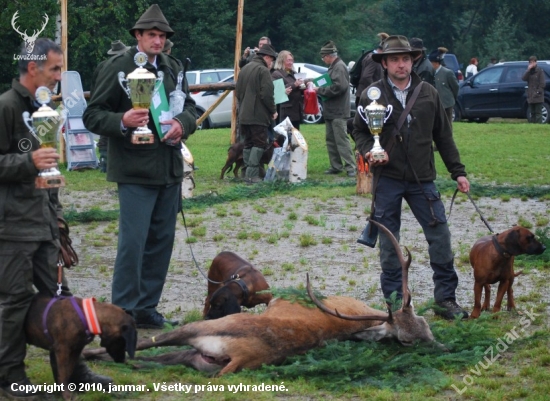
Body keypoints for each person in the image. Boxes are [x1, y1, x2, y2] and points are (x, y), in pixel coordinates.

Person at [0, 38, 112, 399]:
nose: (59, 76)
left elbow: (49, 173)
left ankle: (73, 370)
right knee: (14, 302)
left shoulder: (45, 108)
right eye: (55, 69)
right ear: (33, 69)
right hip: (12, 228)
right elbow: (21, 164)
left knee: (63, 301)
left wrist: (58, 220)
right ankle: (9, 377)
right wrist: (25, 163)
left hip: (44, 224)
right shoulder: (5, 107)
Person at [83, 4, 197, 328]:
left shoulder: (173, 66)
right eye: (152, 35)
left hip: (168, 169)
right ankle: (122, 313)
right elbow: (92, 114)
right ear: (138, 36)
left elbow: (188, 107)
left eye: (161, 36)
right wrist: (122, 119)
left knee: (161, 243)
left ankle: (146, 307)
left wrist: (182, 124)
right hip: (133, 170)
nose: (157, 41)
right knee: (133, 245)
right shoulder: (117, 66)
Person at [352, 35, 470, 320]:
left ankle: (445, 300)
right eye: (394, 59)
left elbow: (444, 136)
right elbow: (358, 130)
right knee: (389, 242)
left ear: (413, 60)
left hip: (423, 179)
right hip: (388, 178)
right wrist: (370, 151)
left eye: (405, 59)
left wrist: (458, 171)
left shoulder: (428, 92)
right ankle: (395, 303)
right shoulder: (371, 94)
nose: (401, 64)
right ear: (385, 62)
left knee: (440, 236)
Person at [235, 43, 278, 184]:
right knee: (259, 143)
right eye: (271, 59)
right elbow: (266, 94)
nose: (272, 62)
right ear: (266, 57)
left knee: (247, 144)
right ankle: (252, 176)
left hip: (244, 115)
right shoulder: (263, 70)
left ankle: (247, 173)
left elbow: (238, 92)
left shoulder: (245, 68)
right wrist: (273, 110)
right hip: (257, 115)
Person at [313, 41, 356, 177]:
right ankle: (336, 166)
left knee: (341, 140)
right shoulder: (334, 66)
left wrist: (320, 90)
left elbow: (340, 87)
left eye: (323, 57)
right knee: (331, 140)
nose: (323, 59)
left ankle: (351, 167)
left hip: (338, 110)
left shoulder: (339, 67)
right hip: (331, 110)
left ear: (328, 55)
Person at [91, 40, 131, 173]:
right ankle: (109, 160)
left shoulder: (102, 66)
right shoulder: (123, 65)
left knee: (106, 132)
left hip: (105, 101)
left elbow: (94, 87)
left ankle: (104, 161)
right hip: (117, 101)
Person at [271, 50, 305, 129]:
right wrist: (294, 84)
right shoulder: (276, 74)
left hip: (296, 109)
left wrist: (303, 86)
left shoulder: (294, 73)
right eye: (288, 60)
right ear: (281, 61)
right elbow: (277, 90)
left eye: (292, 60)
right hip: (285, 111)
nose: (291, 62)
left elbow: (298, 89)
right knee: (285, 136)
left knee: (295, 134)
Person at [355, 32, 388, 106]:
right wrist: (376, 89)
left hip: (365, 95)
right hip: (368, 97)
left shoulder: (370, 56)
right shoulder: (374, 59)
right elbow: (366, 76)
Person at [429, 47, 459, 125]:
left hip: (447, 104)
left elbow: (455, 87)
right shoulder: (431, 73)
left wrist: (452, 98)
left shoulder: (447, 73)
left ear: (435, 63)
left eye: (431, 63)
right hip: (435, 105)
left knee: (447, 126)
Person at [522, 56, 546, 124]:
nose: (531, 64)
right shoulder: (529, 72)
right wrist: (528, 70)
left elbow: (542, 84)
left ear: (536, 62)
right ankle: (532, 126)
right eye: (530, 62)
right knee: (532, 113)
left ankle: (538, 126)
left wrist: (538, 92)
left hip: (538, 96)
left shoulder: (540, 71)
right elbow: (523, 78)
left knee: (538, 113)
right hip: (530, 95)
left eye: (533, 62)